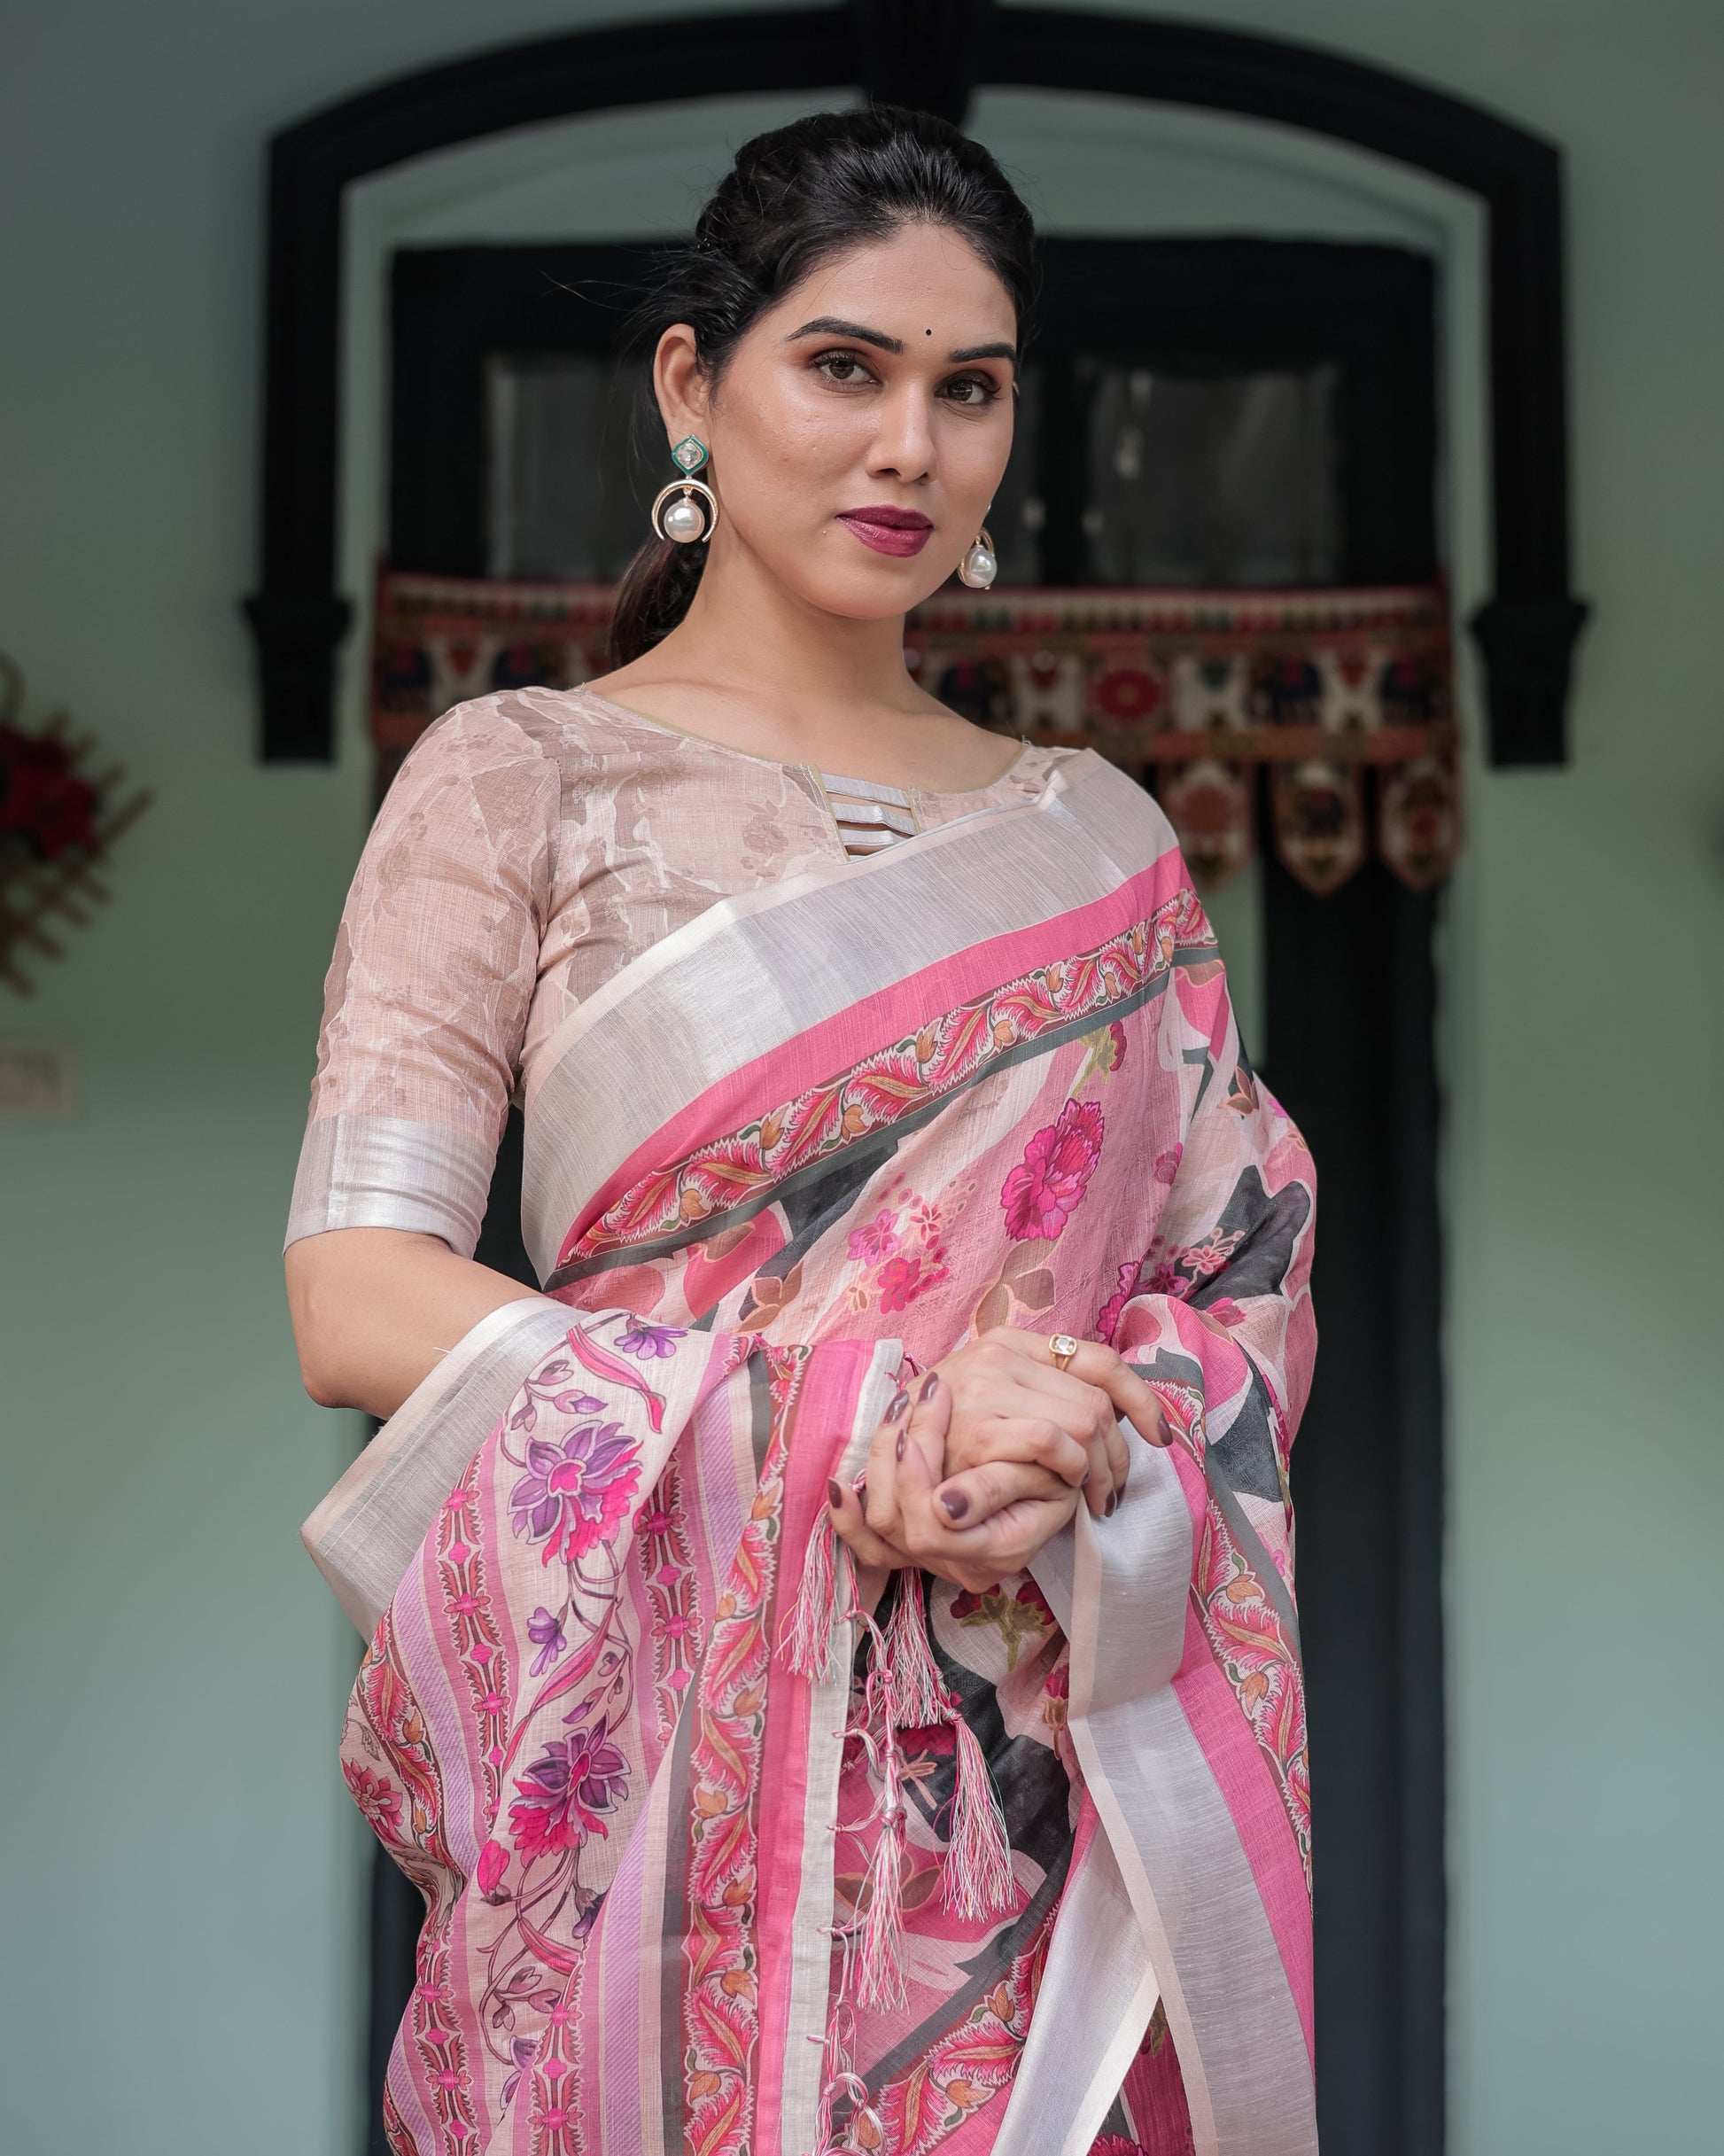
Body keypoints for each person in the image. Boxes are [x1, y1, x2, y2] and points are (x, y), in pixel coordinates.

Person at [286, 105, 1317, 2156]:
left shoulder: (1098, 838)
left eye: (968, 389)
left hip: (1034, 1775)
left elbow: (1240, 1277)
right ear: (695, 382)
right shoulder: (520, 778)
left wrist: (1062, 1434)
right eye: (844, 366)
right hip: (661, 1760)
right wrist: (857, 1423)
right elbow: (356, 1291)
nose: (908, 447)